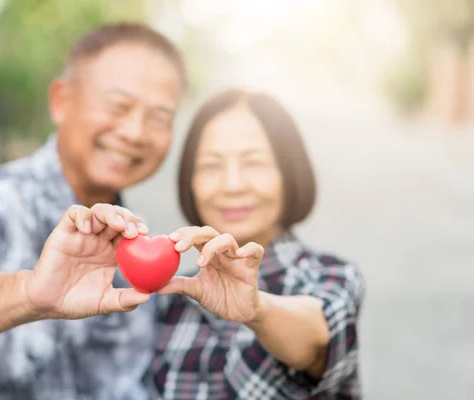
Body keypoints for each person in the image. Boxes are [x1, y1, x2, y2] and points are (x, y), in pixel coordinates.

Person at [0, 22, 186, 400]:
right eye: (118, 105)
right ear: (61, 101)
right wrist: (29, 293)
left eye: (159, 117)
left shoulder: (139, 242)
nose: (135, 132)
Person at [147, 89, 366, 399]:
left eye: (254, 162)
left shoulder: (330, 277)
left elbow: (319, 337)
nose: (233, 185)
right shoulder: (173, 297)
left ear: (288, 172)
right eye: (211, 165)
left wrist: (258, 310)